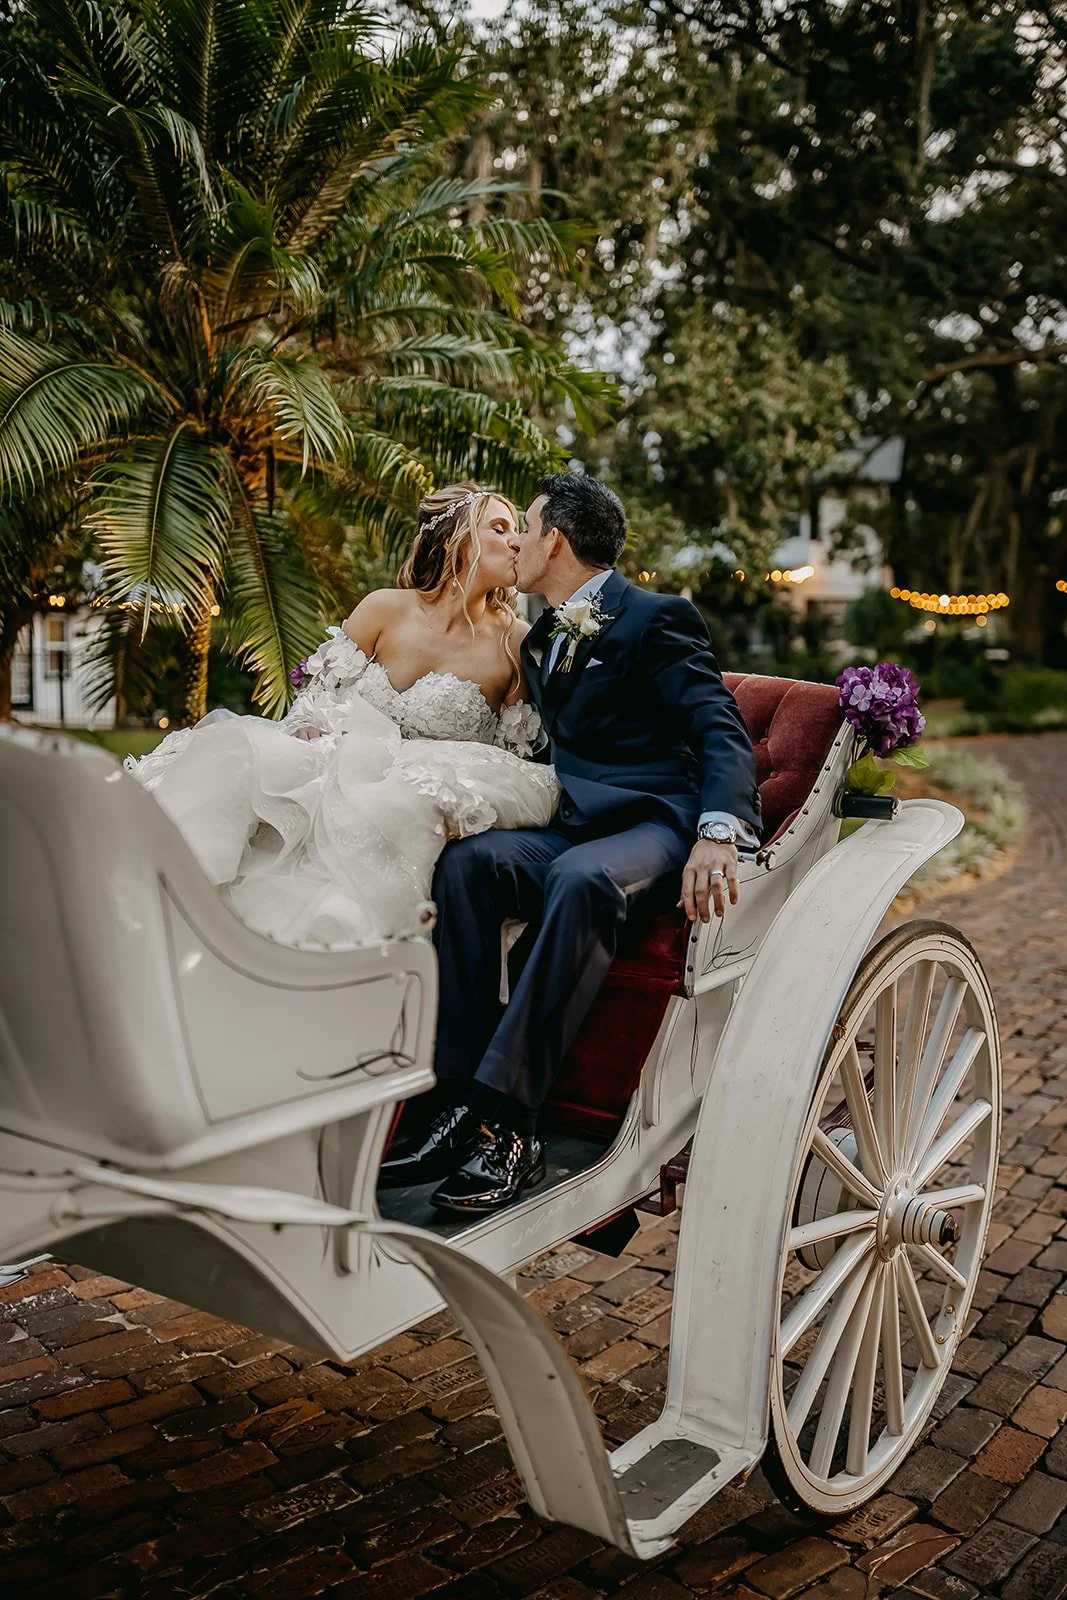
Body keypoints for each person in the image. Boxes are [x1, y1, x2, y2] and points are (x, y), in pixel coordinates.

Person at [380, 472, 761, 1215]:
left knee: (581, 881)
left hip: (654, 824)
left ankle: (510, 1125)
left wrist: (717, 831)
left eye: (523, 528)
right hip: (574, 823)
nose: (515, 541)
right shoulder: (546, 632)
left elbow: (719, 727)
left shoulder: (655, 618)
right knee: (469, 864)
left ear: (554, 538)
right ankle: (451, 1100)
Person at [126, 486, 559, 950]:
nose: (516, 541)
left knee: (365, 843)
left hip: (408, 804)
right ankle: (161, 909)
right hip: (339, 760)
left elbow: (505, 759)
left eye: (518, 530)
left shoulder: (516, 644)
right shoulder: (383, 609)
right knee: (238, 758)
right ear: (456, 537)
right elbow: (318, 697)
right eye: (500, 527)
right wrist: (307, 726)